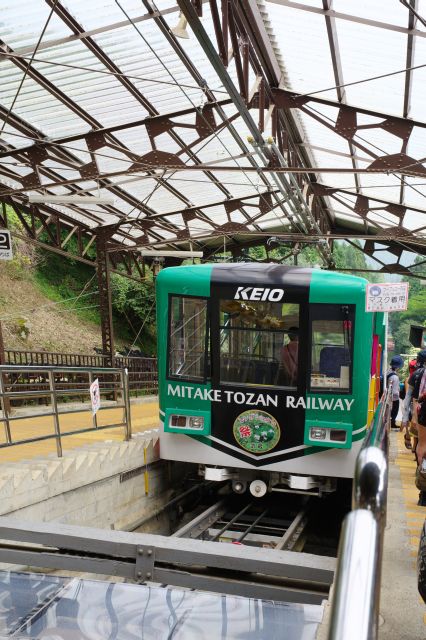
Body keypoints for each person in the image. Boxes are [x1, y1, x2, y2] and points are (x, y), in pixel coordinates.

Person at [401, 350, 426, 451]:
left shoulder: (414, 374)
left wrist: (405, 418)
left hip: (414, 407)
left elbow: (407, 397)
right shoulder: (420, 373)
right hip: (420, 408)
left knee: (418, 436)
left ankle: (410, 440)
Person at [387, 355, 404, 430]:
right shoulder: (395, 377)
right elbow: (395, 391)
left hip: (388, 396)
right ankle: (393, 423)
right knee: (394, 411)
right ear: (398, 367)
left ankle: (392, 423)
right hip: (394, 398)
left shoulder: (387, 372)